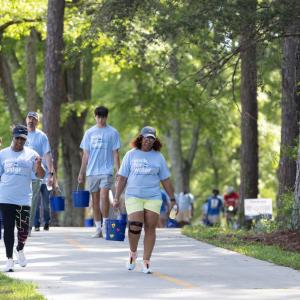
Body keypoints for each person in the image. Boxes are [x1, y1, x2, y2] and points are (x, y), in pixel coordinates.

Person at [113, 126, 176, 274]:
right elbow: (122, 177)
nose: (148, 141)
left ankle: (146, 261)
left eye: (152, 139)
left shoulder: (158, 157)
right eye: (146, 138)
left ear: (155, 141)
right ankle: (133, 253)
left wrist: (172, 198)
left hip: (153, 196)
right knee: (135, 225)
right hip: (133, 195)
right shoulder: (131, 155)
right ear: (141, 138)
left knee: (150, 227)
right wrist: (116, 196)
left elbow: (165, 180)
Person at [0, 125, 45, 272]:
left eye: (23, 139)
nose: (20, 141)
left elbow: (41, 175)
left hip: (24, 198)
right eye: (17, 138)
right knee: (7, 229)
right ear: (13, 137)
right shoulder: (3, 154)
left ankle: (19, 249)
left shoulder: (32, 154)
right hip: (6, 197)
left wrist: (39, 165)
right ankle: (9, 259)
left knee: (23, 229)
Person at [78, 106, 121, 238]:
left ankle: (107, 224)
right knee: (95, 200)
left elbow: (115, 153)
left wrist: (118, 170)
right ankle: (98, 228)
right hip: (91, 172)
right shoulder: (89, 133)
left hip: (106, 170)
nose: (101, 119)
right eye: (98, 117)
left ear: (106, 117)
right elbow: (85, 155)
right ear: (95, 117)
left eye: (103, 117)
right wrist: (81, 172)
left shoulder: (113, 133)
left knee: (104, 197)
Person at [25, 112, 55, 232]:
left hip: (41, 174)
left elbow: (48, 155)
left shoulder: (42, 136)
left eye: (34, 119)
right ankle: (33, 224)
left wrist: (51, 175)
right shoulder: (22, 135)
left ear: (37, 122)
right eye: (29, 118)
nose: (31, 121)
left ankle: (44, 221)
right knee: (32, 201)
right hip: (26, 175)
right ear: (26, 120)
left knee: (43, 202)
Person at [34, 159, 51, 231]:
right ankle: (36, 224)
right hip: (36, 182)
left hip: (46, 183)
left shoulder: (47, 155)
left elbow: (52, 169)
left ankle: (47, 222)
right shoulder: (32, 156)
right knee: (36, 205)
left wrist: (54, 180)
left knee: (46, 205)